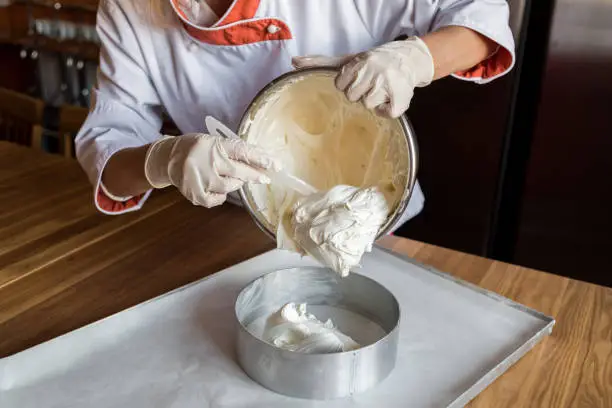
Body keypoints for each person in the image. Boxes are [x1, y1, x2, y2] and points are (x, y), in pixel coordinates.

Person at [76, 0, 515, 230]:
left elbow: (480, 18)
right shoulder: (127, 8)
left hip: (368, 220)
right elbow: (112, 157)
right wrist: (164, 160)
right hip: (231, 224)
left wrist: (413, 60)